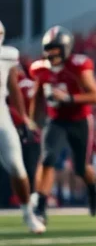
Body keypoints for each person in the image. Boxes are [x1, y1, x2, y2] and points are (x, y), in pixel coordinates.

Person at [29, 27, 96, 222]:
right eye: (49, 49)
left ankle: (93, 191)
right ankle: (41, 208)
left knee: (80, 168)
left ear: (66, 48)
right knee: (47, 159)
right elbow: (37, 95)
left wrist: (69, 98)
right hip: (56, 120)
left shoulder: (79, 66)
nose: (52, 53)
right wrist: (31, 121)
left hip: (80, 120)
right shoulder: (41, 69)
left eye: (56, 49)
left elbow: (95, 95)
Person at [0, 20, 43, 233]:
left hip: (1, 114)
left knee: (17, 166)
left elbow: (13, 87)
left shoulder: (7, 55)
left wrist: (24, 117)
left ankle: (28, 214)